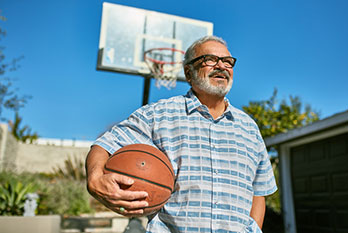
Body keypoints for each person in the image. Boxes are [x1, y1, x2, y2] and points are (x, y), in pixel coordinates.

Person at [86, 35, 277, 233]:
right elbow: (105, 145)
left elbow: (259, 191)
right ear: (188, 73)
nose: (221, 66)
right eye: (210, 59)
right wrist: (95, 179)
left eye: (227, 61)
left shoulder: (250, 128)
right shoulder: (158, 115)